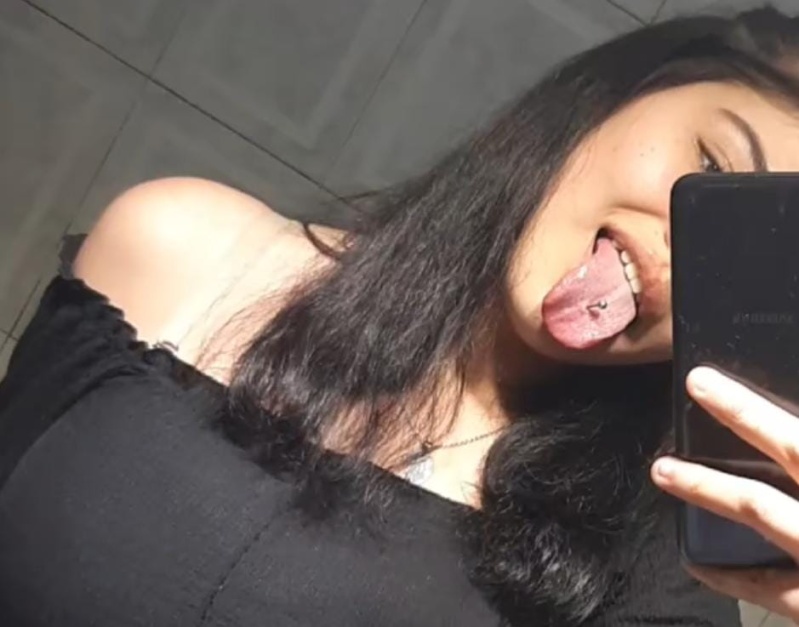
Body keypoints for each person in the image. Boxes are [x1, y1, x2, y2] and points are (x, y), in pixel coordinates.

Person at [2, 5, 799, 626]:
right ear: (619, 94)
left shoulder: (651, 572)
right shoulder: (179, 248)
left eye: (751, 258)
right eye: (711, 166)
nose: (679, 258)